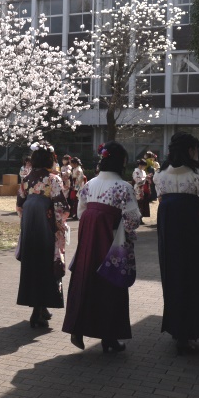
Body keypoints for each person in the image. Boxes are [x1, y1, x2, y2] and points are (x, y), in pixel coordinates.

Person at [62, 141, 141, 353]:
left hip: (89, 241)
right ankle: (109, 337)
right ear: (121, 162)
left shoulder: (89, 185)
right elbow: (133, 220)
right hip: (112, 241)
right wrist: (125, 234)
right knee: (111, 285)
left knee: (84, 281)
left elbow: (81, 212)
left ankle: (77, 327)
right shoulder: (124, 187)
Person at [153, 132, 199, 354]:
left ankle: (176, 329)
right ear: (190, 150)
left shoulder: (160, 175)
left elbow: (162, 200)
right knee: (196, 277)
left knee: (172, 276)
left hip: (169, 231)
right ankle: (193, 329)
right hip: (193, 232)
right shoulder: (198, 175)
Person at [16, 141, 69, 328]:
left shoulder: (26, 178)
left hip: (31, 226)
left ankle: (41, 308)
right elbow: (60, 206)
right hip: (47, 226)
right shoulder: (53, 179)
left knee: (33, 265)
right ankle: (37, 313)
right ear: (50, 159)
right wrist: (59, 226)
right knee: (47, 265)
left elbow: (20, 205)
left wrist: (28, 222)